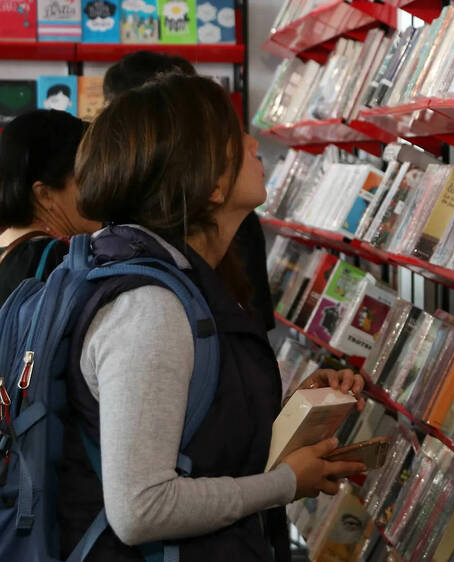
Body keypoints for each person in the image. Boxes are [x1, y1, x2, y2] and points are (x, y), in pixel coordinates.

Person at [61, 73, 365, 561]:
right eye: (231, 135)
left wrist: (286, 415)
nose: (251, 142)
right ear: (208, 183)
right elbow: (141, 508)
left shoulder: (186, 279)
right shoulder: (150, 309)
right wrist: (286, 483)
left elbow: (193, 443)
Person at [103, 51, 276, 330]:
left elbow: (252, 340)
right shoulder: (151, 302)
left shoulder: (223, 236)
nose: (253, 144)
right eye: (232, 134)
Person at [0, 110, 99, 306]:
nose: (98, 190)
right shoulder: (53, 259)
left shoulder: (7, 249)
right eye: (87, 179)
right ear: (45, 194)